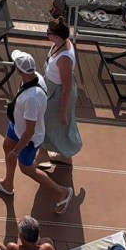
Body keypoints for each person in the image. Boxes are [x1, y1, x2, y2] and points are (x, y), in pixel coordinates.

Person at [0, 49, 73, 214]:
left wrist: (16, 151)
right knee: (7, 146)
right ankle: (8, 184)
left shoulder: (32, 98)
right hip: (16, 126)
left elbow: (30, 130)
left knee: (26, 168)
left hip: (28, 138)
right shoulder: (35, 77)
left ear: (19, 71)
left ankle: (61, 192)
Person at [38, 17, 82, 168]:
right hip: (51, 89)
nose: (47, 34)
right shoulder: (59, 44)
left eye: (48, 32)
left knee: (44, 120)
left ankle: (43, 154)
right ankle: (65, 156)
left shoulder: (64, 58)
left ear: (57, 37)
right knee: (52, 123)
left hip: (59, 94)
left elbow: (67, 88)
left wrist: (63, 112)